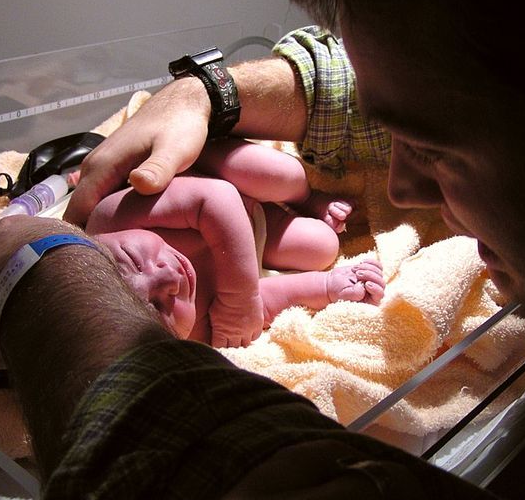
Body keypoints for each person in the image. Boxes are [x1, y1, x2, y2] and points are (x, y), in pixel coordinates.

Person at [0, 0, 525, 500]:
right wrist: (213, 91)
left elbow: (246, 490)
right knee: (314, 230)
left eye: (436, 151)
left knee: (295, 193)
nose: (401, 191)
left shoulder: (114, 222)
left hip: (235, 211)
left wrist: (45, 289)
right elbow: (429, 91)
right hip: (242, 220)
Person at [87, 137, 384, 347]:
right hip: (256, 235)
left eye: (133, 261)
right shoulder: (185, 332)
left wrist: (237, 298)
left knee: (279, 174)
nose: (167, 276)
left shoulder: (112, 220)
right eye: (158, 306)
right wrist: (325, 288)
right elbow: (251, 311)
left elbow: (216, 199)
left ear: (89, 242)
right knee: (322, 247)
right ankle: (284, 218)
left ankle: (306, 198)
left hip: (217, 181)